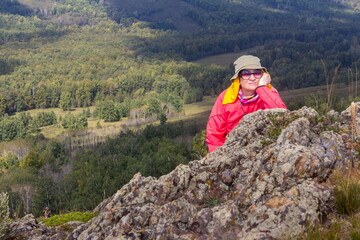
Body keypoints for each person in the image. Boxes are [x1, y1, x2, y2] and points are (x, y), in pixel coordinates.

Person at [206, 55, 287, 152]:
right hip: (233, 152)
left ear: (263, 75)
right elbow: (214, 134)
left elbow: (283, 115)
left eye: (257, 73)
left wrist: (261, 88)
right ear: (238, 78)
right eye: (246, 73)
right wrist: (219, 160)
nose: (252, 78)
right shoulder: (226, 98)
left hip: (266, 150)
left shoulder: (268, 92)